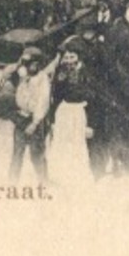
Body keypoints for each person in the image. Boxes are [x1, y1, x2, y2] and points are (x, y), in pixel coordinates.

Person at [90, 0, 129, 178]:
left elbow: (108, 61)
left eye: (104, 9)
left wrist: (98, 46)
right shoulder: (127, 28)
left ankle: (119, 166)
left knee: (117, 126)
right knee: (127, 126)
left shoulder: (116, 32)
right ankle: (127, 163)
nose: (101, 13)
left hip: (119, 87)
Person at [43, 38, 96, 187]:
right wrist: (52, 120)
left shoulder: (86, 73)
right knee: (62, 143)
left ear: (79, 56)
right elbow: (56, 97)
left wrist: (90, 124)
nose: (69, 61)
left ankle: (76, 175)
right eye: (66, 58)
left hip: (79, 113)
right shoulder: (62, 73)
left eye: (72, 57)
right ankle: (60, 175)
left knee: (77, 143)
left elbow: (92, 99)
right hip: (64, 112)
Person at [3, 46, 52, 184]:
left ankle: (43, 181)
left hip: (35, 120)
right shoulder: (22, 75)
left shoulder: (42, 79)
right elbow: (5, 74)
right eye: (26, 63)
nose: (30, 66)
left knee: (36, 155)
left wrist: (35, 123)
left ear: (38, 64)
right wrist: (18, 64)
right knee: (17, 153)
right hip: (21, 118)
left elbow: (43, 102)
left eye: (32, 64)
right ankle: (12, 182)